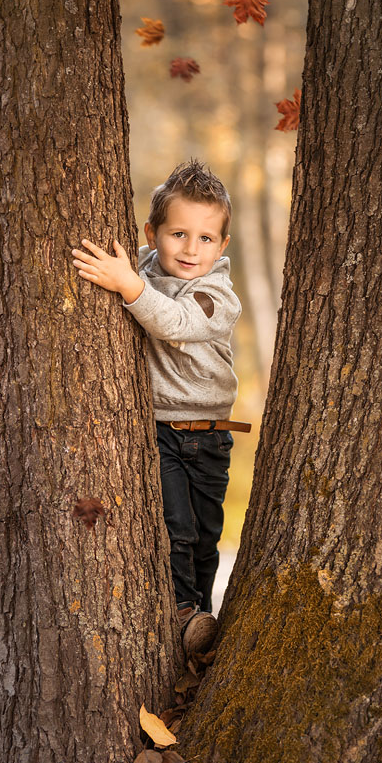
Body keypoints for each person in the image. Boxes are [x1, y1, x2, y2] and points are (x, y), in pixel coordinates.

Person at [71, 160, 250, 659]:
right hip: (161, 431)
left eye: (207, 238)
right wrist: (130, 278)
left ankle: (201, 616)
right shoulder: (144, 269)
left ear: (223, 246)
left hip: (209, 436)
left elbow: (173, 321)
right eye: (178, 234)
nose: (192, 249)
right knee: (176, 524)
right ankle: (183, 611)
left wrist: (128, 285)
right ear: (152, 233)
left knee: (206, 536)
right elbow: (147, 291)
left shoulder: (218, 295)